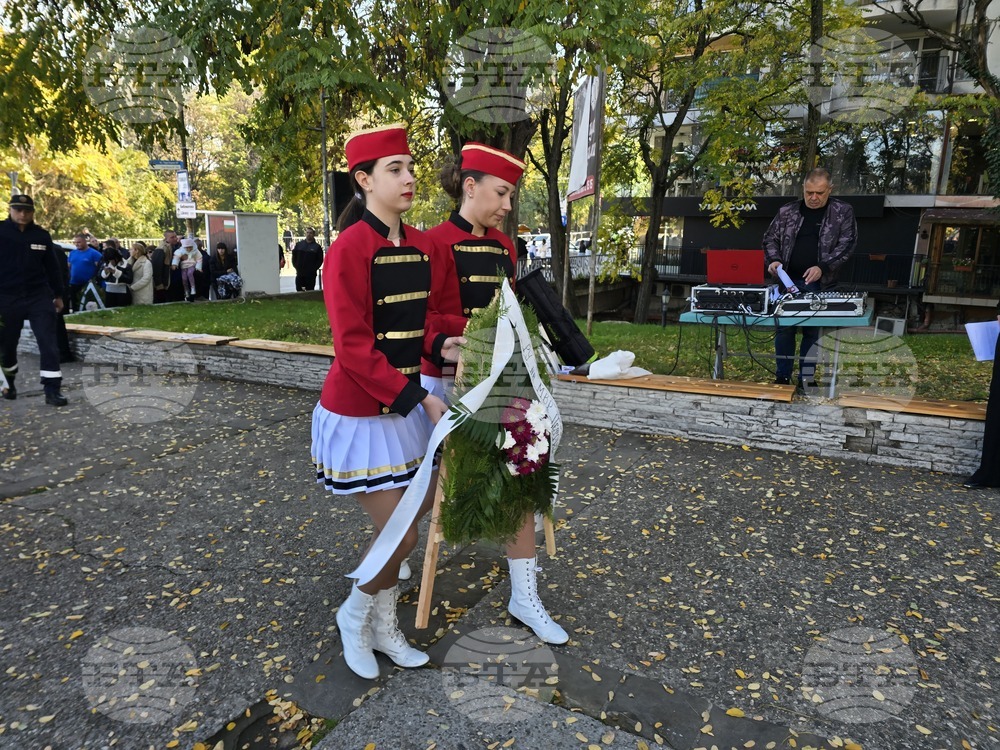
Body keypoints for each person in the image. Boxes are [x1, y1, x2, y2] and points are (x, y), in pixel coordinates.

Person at [312, 124, 464, 680]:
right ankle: (355, 616)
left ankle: (378, 626)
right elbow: (352, 346)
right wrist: (419, 400)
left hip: (402, 405)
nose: (408, 178)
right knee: (403, 531)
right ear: (363, 180)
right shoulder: (347, 250)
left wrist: (441, 342)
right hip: (360, 412)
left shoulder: (423, 244)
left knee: (405, 521)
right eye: (394, 169)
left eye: (409, 167)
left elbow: (420, 321)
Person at [424, 142, 568, 646]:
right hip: (451, 383)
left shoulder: (507, 249)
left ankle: (524, 596)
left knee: (523, 475)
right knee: (421, 490)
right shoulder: (433, 243)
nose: (509, 206)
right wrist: (466, 334)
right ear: (471, 186)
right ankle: (391, 555)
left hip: (507, 383)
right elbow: (421, 321)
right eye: (502, 193)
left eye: (511, 195)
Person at [763, 167, 857, 388]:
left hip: (821, 284)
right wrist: (774, 261)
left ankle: (806, 378)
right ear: (803, 189)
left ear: (830, 190)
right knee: (784, 329)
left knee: (812, 331)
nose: (814, 198)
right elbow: (769, 240)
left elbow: (848, 244)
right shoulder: (787, 211)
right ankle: (782, 376)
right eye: (809, 192)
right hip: (786, 282)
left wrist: (823, 267)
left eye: (820, 193)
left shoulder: (842, 211)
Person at [0, 195, 69, 406]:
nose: (23, 214)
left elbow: (52, 268)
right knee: (7, 346)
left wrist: (58, 295)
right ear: (11, 210)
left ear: (33, 213)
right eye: (18, 210)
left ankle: (52, 389)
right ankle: (8, 383)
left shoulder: (41, 236)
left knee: (48, 342)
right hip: (6, 297)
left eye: (27, 211)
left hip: (38, 296)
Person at [67, 233, 103, 312]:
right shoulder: (72, 253)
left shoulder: (94, 253)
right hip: (74, 283)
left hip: (88, 285)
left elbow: (100, 268)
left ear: (85, 241)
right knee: (74, 305)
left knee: (86, 305)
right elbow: (68, 267)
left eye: (79, 242)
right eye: (75, 243)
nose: (77, 244)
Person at [291, 227, 324, 291]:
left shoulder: (317, 247)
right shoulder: (299, 245)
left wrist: (313, 269)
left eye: (310, 233)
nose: (309, 234)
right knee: (299, 291)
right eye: (307, 232)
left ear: (313, 234)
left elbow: (320, 260)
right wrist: (296, 266)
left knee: (310, 291)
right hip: (300, 273)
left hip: (311, 275)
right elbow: (294, 256)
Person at [171, 238, 203, 302]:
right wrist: (174, 264)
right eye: (187, 248)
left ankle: (193, 288)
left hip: (191, 265)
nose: (189, 249)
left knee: (190, 274)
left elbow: (199, 259)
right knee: (184, 278)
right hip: (183, 266)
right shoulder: (180, 251)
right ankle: (186, 290)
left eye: (190, 247)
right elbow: (176, 257)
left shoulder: (195, 251)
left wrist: (198, 267)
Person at [152, 230, 180, 303]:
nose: (175, 239)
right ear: (166, 239)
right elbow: (157, 268)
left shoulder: (173, 247)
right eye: (172, 237)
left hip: (171, 281)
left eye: (175, 236)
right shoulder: (161, 250)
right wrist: (159, 285)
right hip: (165, 283)